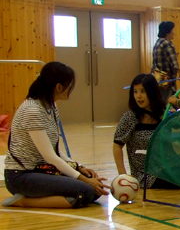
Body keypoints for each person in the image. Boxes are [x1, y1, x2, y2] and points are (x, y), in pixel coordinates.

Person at [3, 62, 108, 208]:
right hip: (21, 176)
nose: (70, 89)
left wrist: (79, 168)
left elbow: (55, 151)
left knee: (96, 189)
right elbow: (50, 157)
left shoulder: (51, 107)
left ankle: (54, 195)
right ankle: (22, 200)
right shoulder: (32, 110)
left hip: (41, 171)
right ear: (59, 87)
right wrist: (84, 180)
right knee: (85, 191)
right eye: (69, 85)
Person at [113, 74, 177, 189]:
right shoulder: (130, 117)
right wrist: (123, 176)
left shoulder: (165, 113)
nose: (138, 96)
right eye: (135, 92)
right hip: (146, 175)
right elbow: (117, 146)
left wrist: (176, 118)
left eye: (143, 91)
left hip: (168, 166)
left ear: (152, 92)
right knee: (179, 180)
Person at [151, 21, 180, 102]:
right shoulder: (167, 43)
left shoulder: (157, 43)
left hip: (158, 79)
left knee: (162, 100)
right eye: (172, 30)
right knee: (169, 101)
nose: (174, 32)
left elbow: (153, 63)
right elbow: (173, 60)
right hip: (167, 80)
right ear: (167, 31)